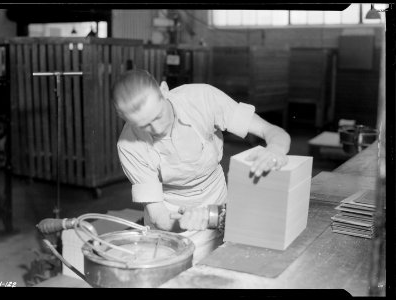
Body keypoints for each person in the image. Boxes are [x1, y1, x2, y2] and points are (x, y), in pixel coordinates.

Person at [113, 69, 291, 263]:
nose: (156, 129)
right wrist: (190, 219)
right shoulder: (128, 145)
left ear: (164, 90)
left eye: (157, 116)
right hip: (175, 218)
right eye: (143, 125)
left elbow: (272, 131)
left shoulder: (202, 98)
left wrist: (276, 149)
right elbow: (160, 218)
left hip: (220, 200)